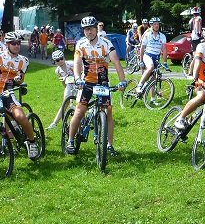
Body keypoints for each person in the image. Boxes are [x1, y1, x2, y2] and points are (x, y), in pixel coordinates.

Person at [65, 16, 127, 157]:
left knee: (108, 112)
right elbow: (77, 63)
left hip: (103, 82)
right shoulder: (80, 45)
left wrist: (122, 80)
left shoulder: (106, 44)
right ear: (83, 31)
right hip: (86, 81)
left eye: (91, 29)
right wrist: (77, 78)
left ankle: (109, 145)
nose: (89, 32)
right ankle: (70, 140)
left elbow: (116, 62)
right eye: (86, 29)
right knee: (80, 111)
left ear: (96, 29)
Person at [0, 31, 39, 161]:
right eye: (13, 43)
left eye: (18, 43)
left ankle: (32, 142)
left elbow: (21, 80)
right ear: (7, 44)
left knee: (20, 116)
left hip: (8, 93)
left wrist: (18, 79)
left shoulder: (23, 61)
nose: (17, 46)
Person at [135, 17, 170, 99]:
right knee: (150, 67)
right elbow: (142, 48)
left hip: (156, 57)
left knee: (154, 78)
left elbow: (164, 49)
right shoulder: (147, 35)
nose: (157, 26)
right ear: (151, 26)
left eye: (158, 24)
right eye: (155, 24)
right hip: (147, 55)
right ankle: (139, 86)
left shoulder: (162, 36)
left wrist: (165, 62)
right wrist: (141, 61)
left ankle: (152, 99)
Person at [46, 49, 75, 129]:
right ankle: (55, 123)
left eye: (61, 58)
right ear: (55, 62)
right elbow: (63, 81)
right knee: (65, 102)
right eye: (58, 60)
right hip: (69, 85)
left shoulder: (72, 64)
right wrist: (67, 90)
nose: (60, 61)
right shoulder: (58, 71)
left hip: (79, 83)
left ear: (64, 58)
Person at [187, 6, 203, 76]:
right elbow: (197, 26)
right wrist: (199, 33)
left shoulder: (191, 19)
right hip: (196, 38)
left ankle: (192, 71)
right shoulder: (198, 18)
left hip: (193, 37)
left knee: (196, 55)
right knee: (196, 56)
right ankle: (190, 72)